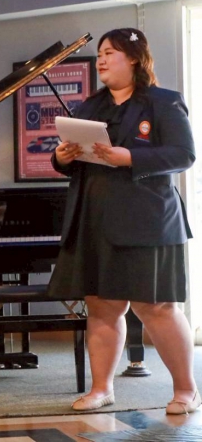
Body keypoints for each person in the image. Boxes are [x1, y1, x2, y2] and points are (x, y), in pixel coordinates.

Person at [48, 28, 198, 414]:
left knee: (156, 307)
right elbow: (72, 159)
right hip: (94, 219)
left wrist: (129, 157)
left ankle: (186, 390)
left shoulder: (163, 102)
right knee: (101, 306)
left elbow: (184, 154)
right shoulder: (89, 106)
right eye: (99, 53)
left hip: (149, 221)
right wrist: (62, 157)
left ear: (133, 58)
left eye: (109, 53)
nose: (100, 59)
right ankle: (102, 389)